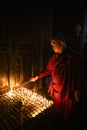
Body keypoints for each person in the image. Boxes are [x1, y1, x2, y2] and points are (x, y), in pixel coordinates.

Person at [29, 33, 84, 123]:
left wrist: (78, 89)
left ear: (61, 43)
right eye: (51, 45)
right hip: (57, 88)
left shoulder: (73, 57)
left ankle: (66, 123)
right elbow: (48, 69)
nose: (52, 47)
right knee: (58, 107)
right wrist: (37, 76)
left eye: (53, 45)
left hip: (68, 89)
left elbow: (79, 74)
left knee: (67, 110)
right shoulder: (54, 58)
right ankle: (58, 120)